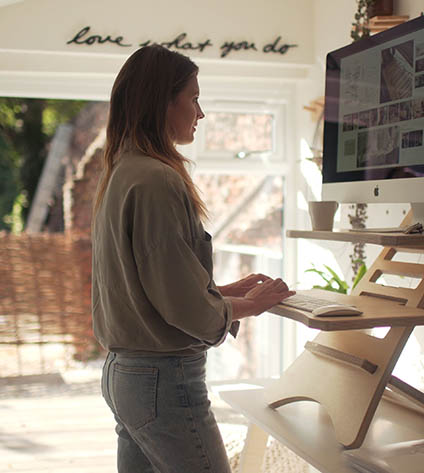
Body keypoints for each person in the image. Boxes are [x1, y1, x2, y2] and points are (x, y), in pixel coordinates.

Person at [91, 44, 294, 473]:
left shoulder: (122, 172)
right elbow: (183, 307)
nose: (200, 113)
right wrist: (254, 304)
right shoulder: (156, 179)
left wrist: (223, 292)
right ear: (163, 101)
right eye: (194, 98)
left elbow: (146, 288)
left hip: (125, 375)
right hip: (161, 380)